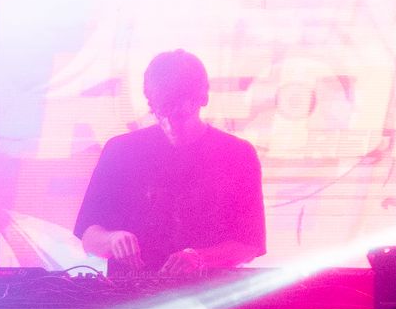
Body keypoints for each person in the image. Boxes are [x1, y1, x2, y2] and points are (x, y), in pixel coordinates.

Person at [73, 50, 265, 276]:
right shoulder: (120, 151)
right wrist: (112, 240)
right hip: (128, 298)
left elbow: (248, 244)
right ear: (149, 101)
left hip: (209, 297)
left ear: (203, 97)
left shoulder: (237, 154)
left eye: (182, 109)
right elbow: (89, 236)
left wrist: (200, 258)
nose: (171, 121)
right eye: (162, 109)